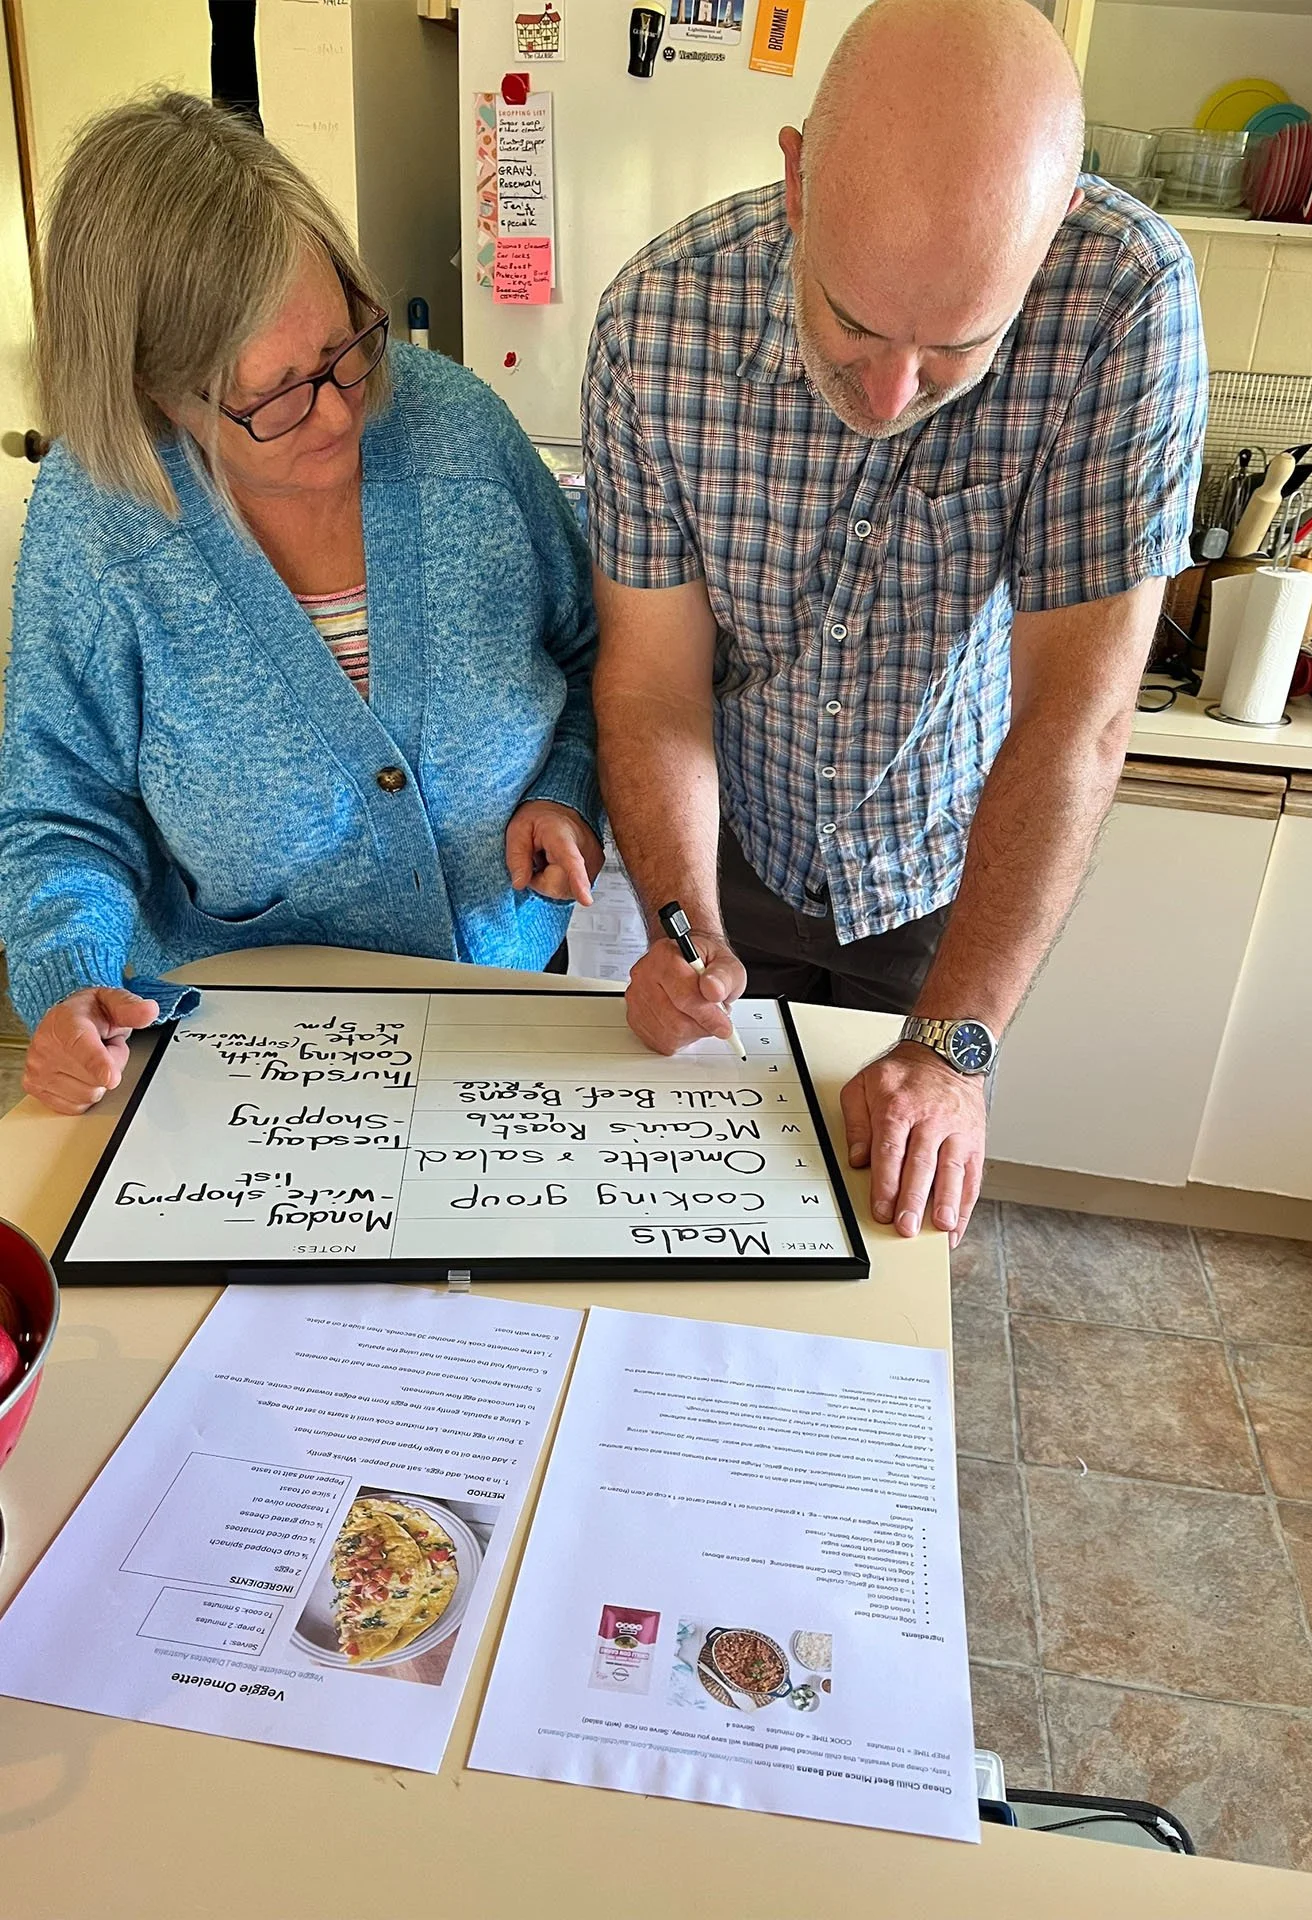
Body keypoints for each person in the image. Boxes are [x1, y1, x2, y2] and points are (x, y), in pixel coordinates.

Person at [584, 0, 1205, 1248]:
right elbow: (655, 686)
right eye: (854, 322)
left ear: (1050, 238)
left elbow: (1075, 722)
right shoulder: (654, 325)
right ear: (799, 180)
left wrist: (955, 1047)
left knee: (883, 1242)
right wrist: (676, 923)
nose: (888, 394)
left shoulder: (1123, 301)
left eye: (955, 352)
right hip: (732, 855)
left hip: (942, 879)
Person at [0, 93, 602, 1117]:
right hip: (241, 1070)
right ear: (159, 393)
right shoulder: (99, 527)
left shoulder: (457, 427)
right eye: (279, 393)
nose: (343, 409)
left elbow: (596, 654)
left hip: (508, 1008)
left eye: (347, 348)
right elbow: (60, 810)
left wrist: (570, 786)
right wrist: (71, 976)